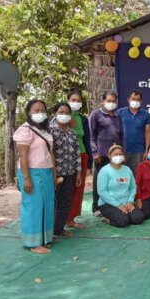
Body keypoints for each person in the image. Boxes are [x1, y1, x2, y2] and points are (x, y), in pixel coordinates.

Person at [13, 100, 56, 254]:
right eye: (36, 110)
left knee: (47, 204)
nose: (40, 113)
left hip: (46, 172)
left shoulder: (45, 131)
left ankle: (45, 238)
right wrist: (26, 179)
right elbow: (23, 155)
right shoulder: (25, 130)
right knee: (33, 206)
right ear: (29, 113)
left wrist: (54, 175)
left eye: (42, 110)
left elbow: (50, 155)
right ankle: (33, 243)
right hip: (31, 172)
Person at [49, 103, 81, 238]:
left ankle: (59, 229)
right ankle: (49, 232)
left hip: (70, 173)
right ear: (55, 113)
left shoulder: (72, 132)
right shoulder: (50, 130)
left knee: (65, 202)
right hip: (54, 173)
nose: (64, 115)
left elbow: (77, 153)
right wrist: (53, 173)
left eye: (67, 112)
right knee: (52, 202)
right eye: (61, 112)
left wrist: (78, 172)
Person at [89, 91, 124, 215]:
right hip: (101, 154)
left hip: (115, 155)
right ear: (103, 101)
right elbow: (91, 136)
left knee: (112, 180)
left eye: (114, 101)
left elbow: (121, 135)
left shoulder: (117, 116)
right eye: (109, 100)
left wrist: (121, 151)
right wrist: (95, 152)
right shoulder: (96, 115)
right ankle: (96, 207)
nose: (111, 103)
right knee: (100, 181)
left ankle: (109, 205)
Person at [97, 145, 144, 227]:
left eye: (120, 154)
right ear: (109, 156)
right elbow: (102, 192)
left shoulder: (127, 169)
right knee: (123, 221)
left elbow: (133, 187)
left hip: (126, 202)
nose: (118, 156)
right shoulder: (104, 171)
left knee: (138, 218)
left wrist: (130, 201)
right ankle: (107, 220)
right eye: (115, 154)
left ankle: (125, 215)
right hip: (108, 204)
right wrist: (118, 205)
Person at [66, 89, 92, 229]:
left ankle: (72, 219)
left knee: (79, 189)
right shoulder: (61, 117)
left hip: (82, 156)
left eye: (78, 101)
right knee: (66, 189)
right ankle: (62, 218)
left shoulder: (83, 119)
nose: (75, 103)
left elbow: (87, 140)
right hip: (66, 159)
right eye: (73, 100)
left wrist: (89, 162)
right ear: (67, 100)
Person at [117, 89, 150, 174]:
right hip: (123, 150)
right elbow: (115, 131)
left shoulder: (145, 114)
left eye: (137, 99)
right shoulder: (120, 112)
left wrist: (147, 150)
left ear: (141, 101)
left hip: (139, 151)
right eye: (133, 99)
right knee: (122, 176)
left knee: (137, 176)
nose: (135, 101)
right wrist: (116, 148)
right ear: (128, 99)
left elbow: (148, 133)